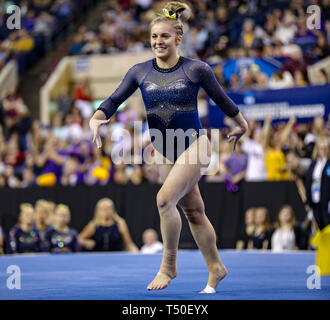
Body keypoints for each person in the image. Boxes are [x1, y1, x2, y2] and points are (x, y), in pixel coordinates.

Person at [89, 2, 248, 293]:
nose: (158, 42)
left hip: (195, 145)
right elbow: (113, 101)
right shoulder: (139, 71)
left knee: (164, 200)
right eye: (154, 37)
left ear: (178, 38)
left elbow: (222, 100)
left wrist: (242, 123)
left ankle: (168, 265)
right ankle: (216, 268)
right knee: (194, 212)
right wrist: (97, 118)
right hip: (164, 148)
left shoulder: (196, 69)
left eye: (164, 36)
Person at [305, 137, 330, 231]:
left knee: (327, 224)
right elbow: (308, 182)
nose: (323, 150)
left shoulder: (329, 163)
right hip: (315, 199)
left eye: (325, 148)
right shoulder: (314, 164)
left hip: (326, 200)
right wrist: (308, 201)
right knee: (318, 225)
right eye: (321, 148)